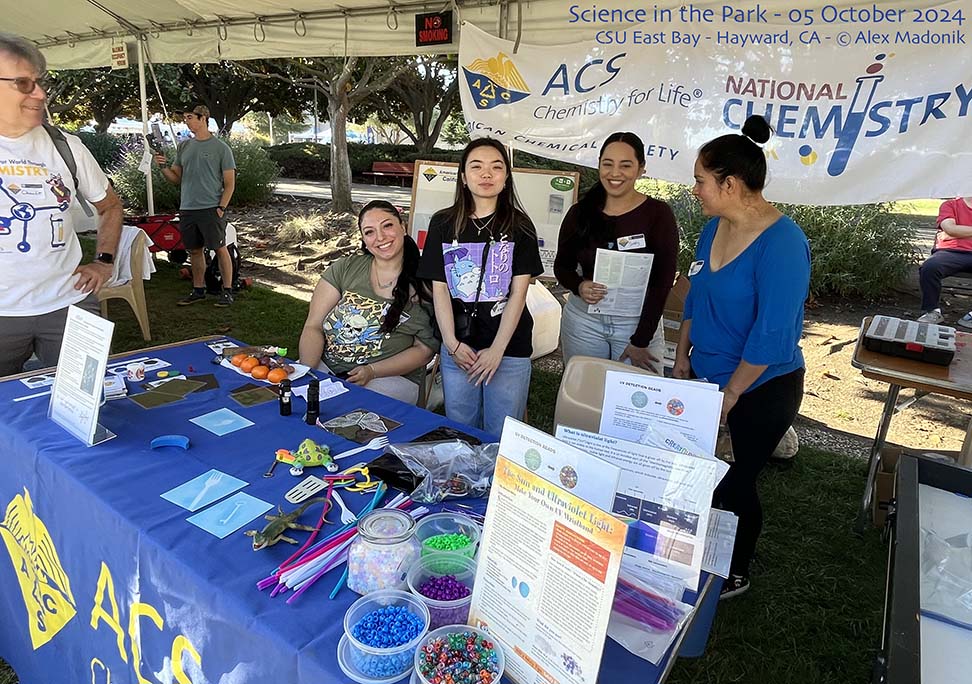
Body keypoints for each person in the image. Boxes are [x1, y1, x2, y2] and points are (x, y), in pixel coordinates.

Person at [673, 115, 810, 599]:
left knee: (736, 479)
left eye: (700, 180)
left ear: (729, 184)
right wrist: (682, 356)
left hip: (762, 387)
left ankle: (735, 569)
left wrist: (731, 394)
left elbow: (772, 335)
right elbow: (696, 295)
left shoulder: (784, 243)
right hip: (709, 375)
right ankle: (697, 551)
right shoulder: (714, 229)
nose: (695, 190)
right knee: (698, 473)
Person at [0, 32, 123, 377]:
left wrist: (103, 261)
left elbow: (111, 206)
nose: (40, 94)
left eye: (41, 83)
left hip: (68, 304)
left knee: (89, 402)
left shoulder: (66, 146)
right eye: (24, 84)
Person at [416, 138, 543, 436]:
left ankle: (494, 484)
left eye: (496, 167)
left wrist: (497, 350)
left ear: (506, 177)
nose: (486, 174)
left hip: (508, 348)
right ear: (463, 176)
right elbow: (440, 289)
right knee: (461, 428)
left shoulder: (520, 226)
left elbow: (518, 294)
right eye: (477, 166)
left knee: (502, 432)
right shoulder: (443, 223)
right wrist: (452, 344)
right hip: (459, 346)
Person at [554, 132, 678, 372]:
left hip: (636, 323)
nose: (615, 173)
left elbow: (662, 282)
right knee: (586, 398)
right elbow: (562, 266)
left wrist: (641, 340)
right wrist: (579, 286)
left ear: (641, 168)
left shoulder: (658, 215)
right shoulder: (580, 213)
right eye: (607, 164)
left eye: (626, 165)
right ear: (599, 164)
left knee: (635, 402)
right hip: (584, 321)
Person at [298, 200, 436, 405]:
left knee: (346, 412)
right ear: (363, 238)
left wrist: (371, 371)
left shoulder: (426, 284)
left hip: (388, 378)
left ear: (403, 226)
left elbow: (424, 351)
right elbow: (313, 326)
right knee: (292, 403)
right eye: (370, 232)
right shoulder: (346, 268)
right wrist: (308, 374)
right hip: (326, 368)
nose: (380, 237)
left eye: (387, 226)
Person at [155, 104, 236, 307]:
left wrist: (221, 208)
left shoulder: (221, 148)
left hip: (211, 208)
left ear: (203, 118)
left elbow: (230, 183)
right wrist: (163, 166)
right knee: (194, 251)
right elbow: (176, 178)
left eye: (190, 117)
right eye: (185, 118)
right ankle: (198, 290)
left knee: (220, 248)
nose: (187, 121)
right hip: (188, 208)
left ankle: (227, 291)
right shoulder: (184, 146)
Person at [917, 196, 972, 327]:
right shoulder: (950, 205)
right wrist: (953, 232)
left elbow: (953, 231)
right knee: (930, 267)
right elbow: (950, 229)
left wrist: (959, 231)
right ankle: (932, 312)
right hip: (950, 252)